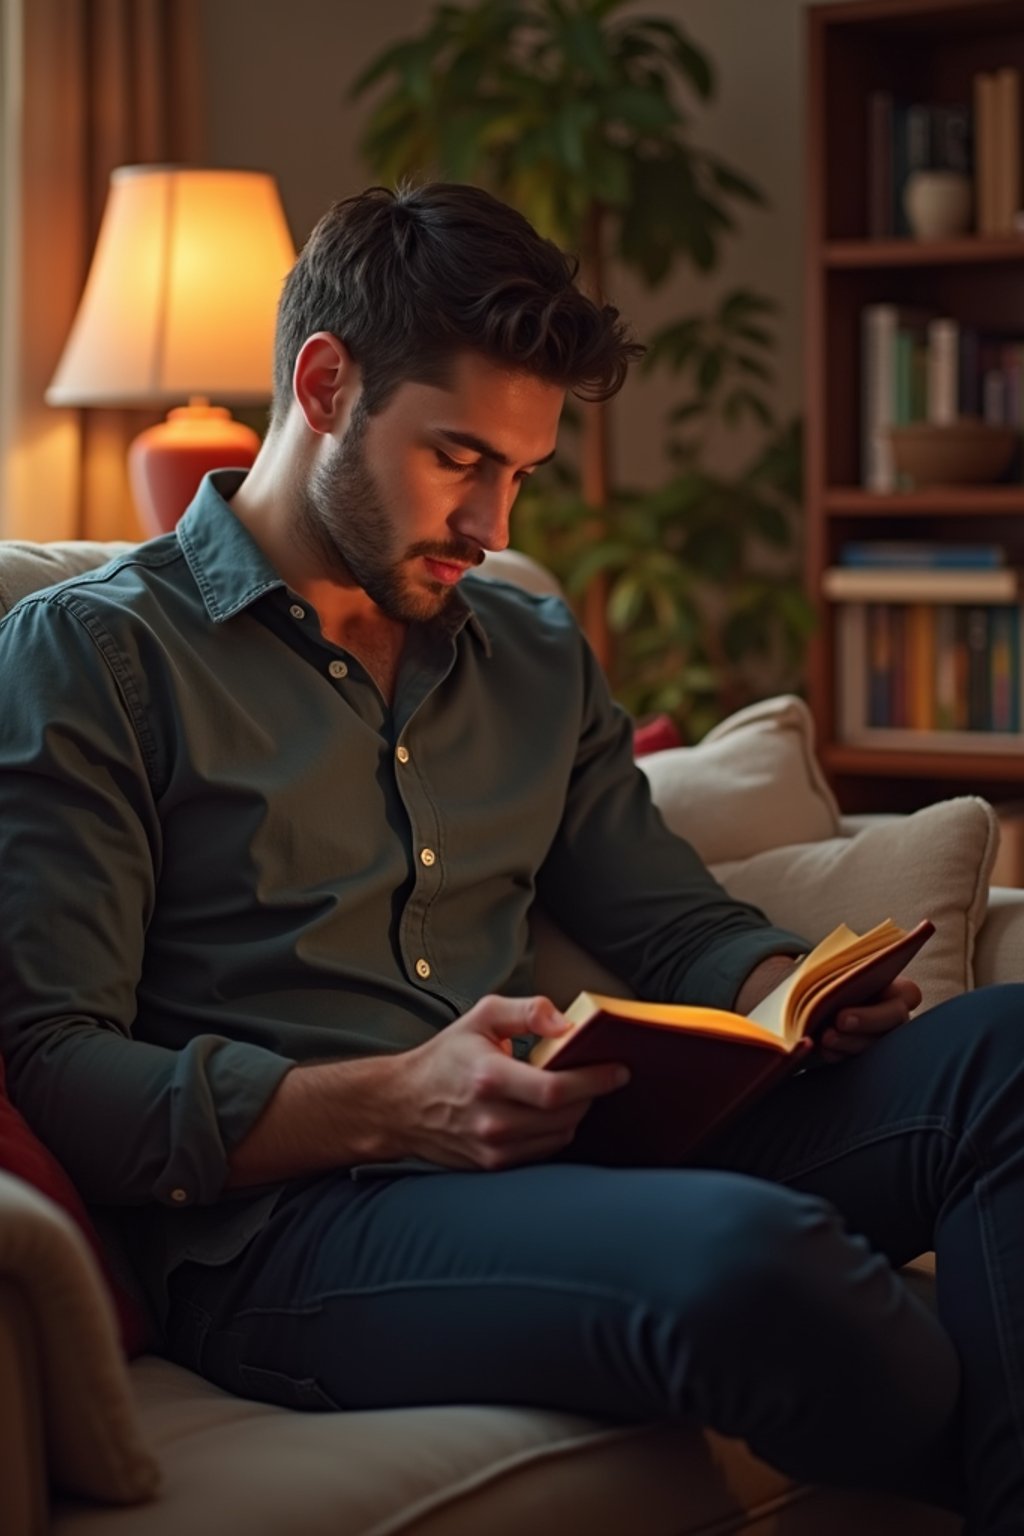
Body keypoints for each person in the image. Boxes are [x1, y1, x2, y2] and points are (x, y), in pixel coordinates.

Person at [0, 182, 1020, 1534]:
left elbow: (667, 922)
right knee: (754, 1268)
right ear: (323, 383)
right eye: (460, 458)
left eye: (521, 474)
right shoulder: (94, 654)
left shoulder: (530, 653)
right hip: (294, 1233)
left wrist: (788, 983)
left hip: (572, 1156)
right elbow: (57, 1068)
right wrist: (395, 1100)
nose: (493, 527)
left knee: (1006, 1050)